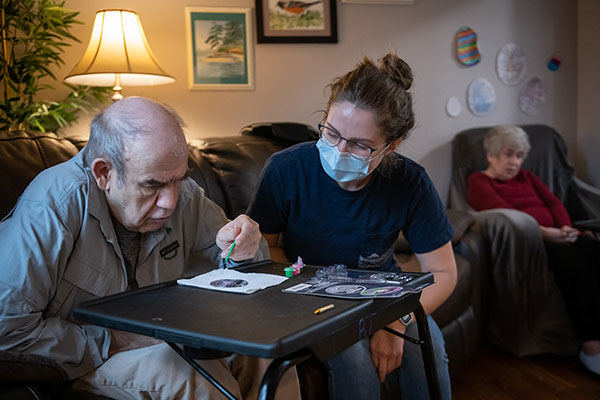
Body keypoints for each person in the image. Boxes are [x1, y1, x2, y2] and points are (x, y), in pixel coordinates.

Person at [0, 97, 300, 400]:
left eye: (178, 179)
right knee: (190, 377)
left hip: (162, 338)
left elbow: (253, 272)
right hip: (84, 357)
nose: (170, 202)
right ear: (104, 173)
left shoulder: (185, 197)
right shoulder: (53, 205)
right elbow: (6, 328)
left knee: (269, 355)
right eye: (152, 185)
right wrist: (112, 340)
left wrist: (244, 251)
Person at [248, 54, 457, 400]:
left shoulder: (410, 182)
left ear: (391, 146)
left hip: (385, 296)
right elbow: (265, 246)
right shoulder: (285, 170)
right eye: (331, 133)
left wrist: (396, 320)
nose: (339, 150)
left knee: (426, 348)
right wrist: (301, 285)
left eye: (360, 144)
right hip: (311, 297)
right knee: (355, 362)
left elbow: (443, 272)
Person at [467, 124, 600, 379]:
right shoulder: (479, 181)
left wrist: (566, 228)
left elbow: (553, 202)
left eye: (518, 155)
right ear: (492, 154)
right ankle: (591, 349)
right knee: (575, 265)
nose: (514, 162)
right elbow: (503, 210)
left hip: (560, 234)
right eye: (508, 154)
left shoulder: (527, 177)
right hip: (534, 243)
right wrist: (547, 233)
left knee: (595, 251)